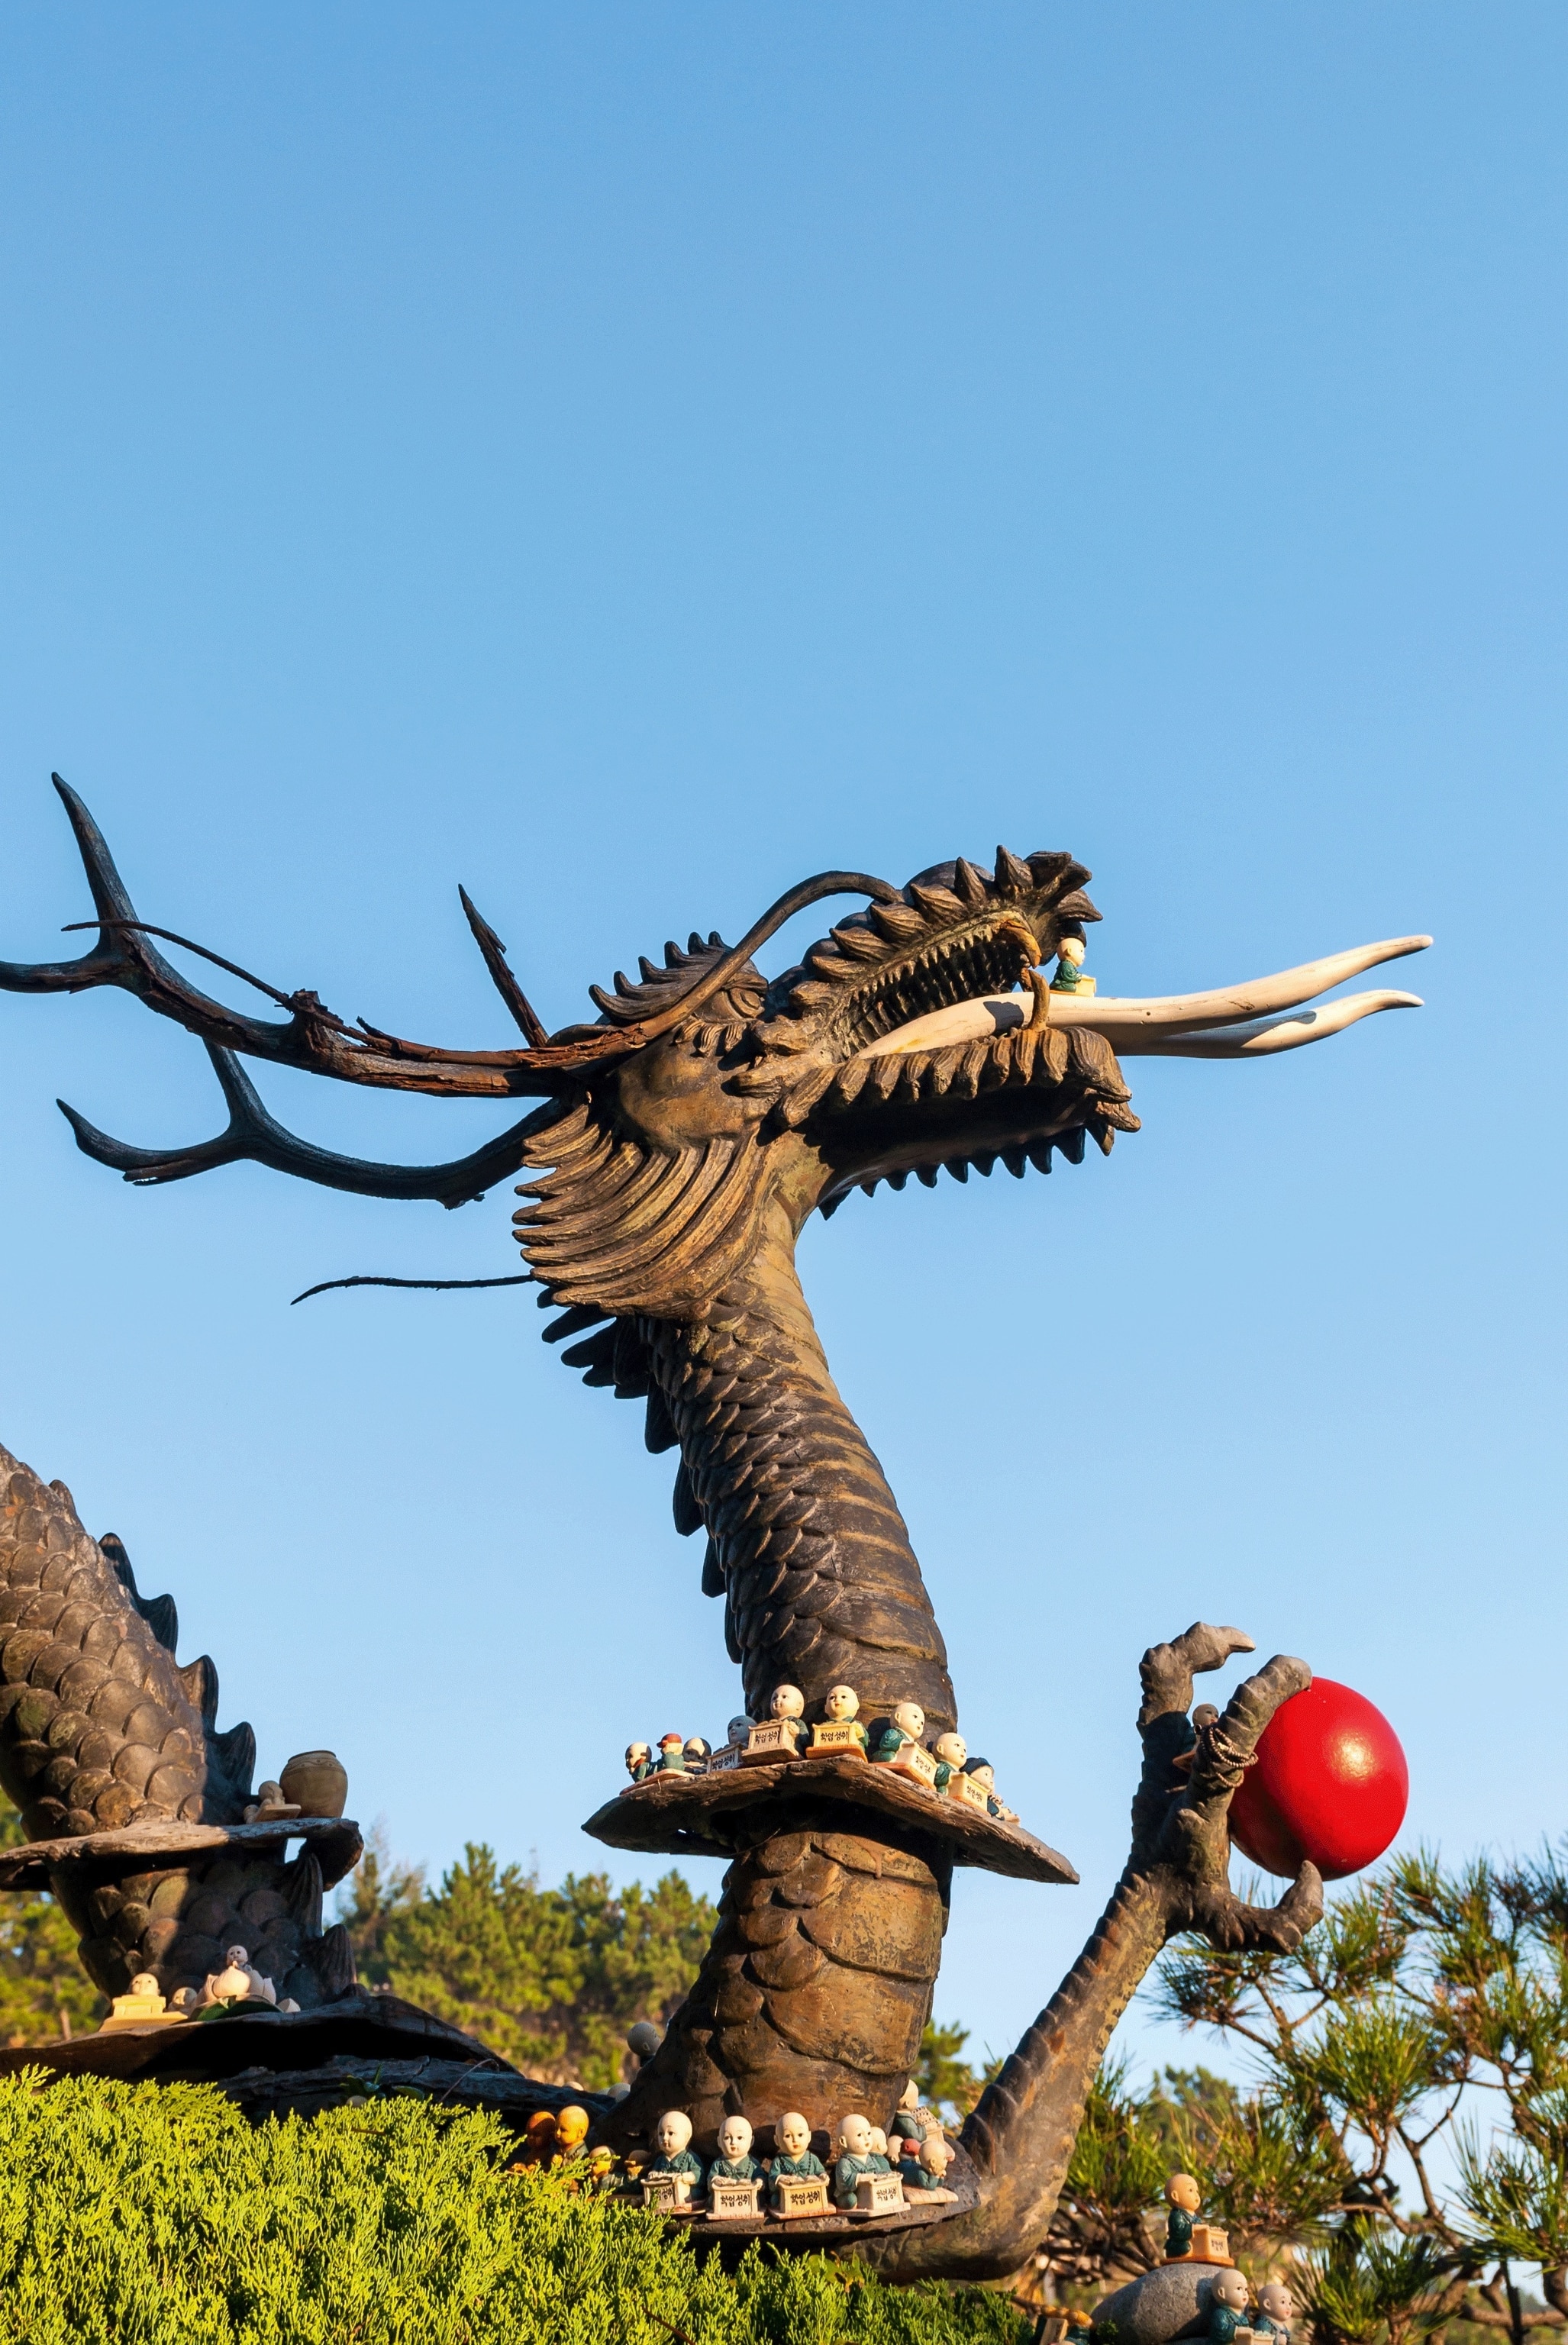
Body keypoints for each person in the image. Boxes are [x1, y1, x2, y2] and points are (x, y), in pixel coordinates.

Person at [767, 2111, 828, 2208]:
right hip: (788, 2195)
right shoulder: (779, 2161)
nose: (795, 2140)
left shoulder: (812, 2159)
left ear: (809, 2137)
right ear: (777, 2140)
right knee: (775, 2200)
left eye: (800, 2135)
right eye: (788, 2136)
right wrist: (780, 2179)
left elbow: (820, 2172)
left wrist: (823, 2176)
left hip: (809, 2195)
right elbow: (772, 2179)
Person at [708, 2114, 762, 2185]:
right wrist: (716, 2180)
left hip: (747, 2195)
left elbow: (761, 2176)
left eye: (739, 2138)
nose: (733, 2142)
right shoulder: (718, 2163)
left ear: (751, 2141)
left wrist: (758, 2182)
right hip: (724, 2196)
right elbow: (711, 2178)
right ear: (719, 2142)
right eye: (727, 2137)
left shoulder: (753, 2163)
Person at [1166, 2171, 1202, 2260]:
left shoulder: (1194, 2216)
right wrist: (1193, 2228)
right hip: (1178, 2243)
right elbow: (1179, 2232)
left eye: (1197, 2191)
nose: (1196, 2195)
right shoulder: (1176, 2215)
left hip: (1194, 2242)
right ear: (1175, 2196)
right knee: (1187, 2248)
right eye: (1191, 2190)